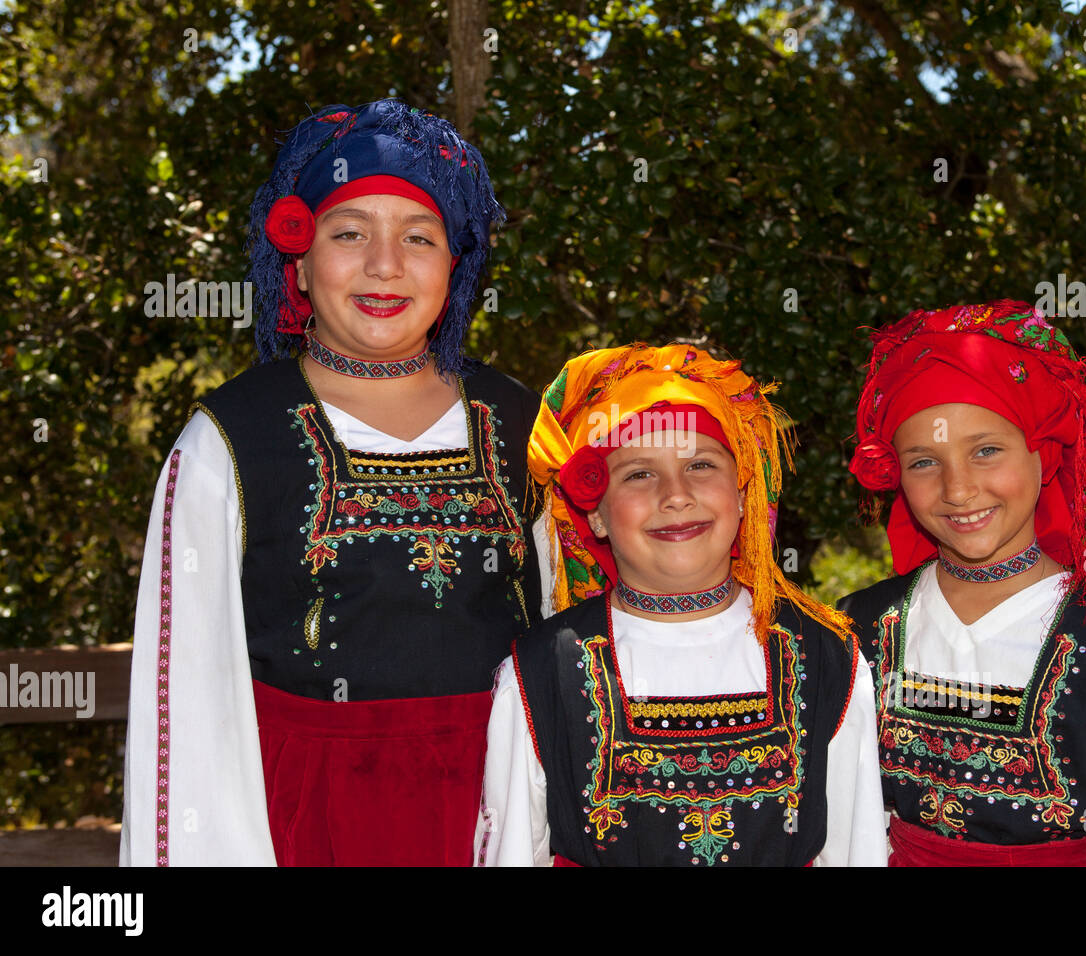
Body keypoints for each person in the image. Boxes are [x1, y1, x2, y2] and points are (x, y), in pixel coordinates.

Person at [121, 100, 543, 866]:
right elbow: (192, 701)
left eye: (419, 237)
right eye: (349, 233)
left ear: (457, 263)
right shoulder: (228, 440)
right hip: (304, 830)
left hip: (498, 822)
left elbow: (575, 646)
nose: (385, 264)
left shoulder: (523, 425)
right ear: (300, 261)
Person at [838, 299, 1086, 866]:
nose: (959, 489)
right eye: (924, 461)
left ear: (1044, 456)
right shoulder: (858, 635)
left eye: (987, 451)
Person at [475, 343, 886, 866]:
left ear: (742, 493)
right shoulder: (541, 673)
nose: (676, 494)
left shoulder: (827, 659)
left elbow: (857, 852)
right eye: (638, 474)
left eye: (700, 465)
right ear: (595, 515)